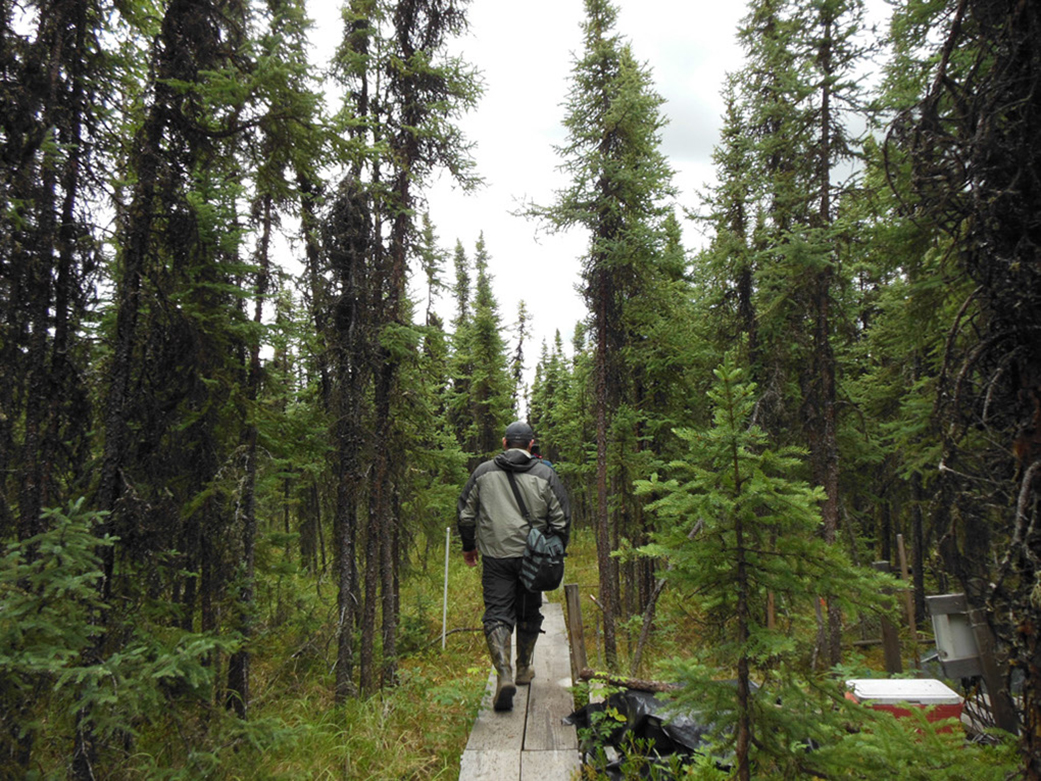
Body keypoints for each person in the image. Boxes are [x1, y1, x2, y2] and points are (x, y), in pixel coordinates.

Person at [457, 420, 571, 712]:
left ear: (505, 443)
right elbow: (561, 519)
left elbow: (466, 513)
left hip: (496, 556)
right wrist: (556, 550)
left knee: (497, 612)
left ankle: (503, 673)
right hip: (534, 556)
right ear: (531, 444)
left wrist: (469, 547)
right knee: (529, 610)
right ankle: (523, 669)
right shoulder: (546, 474)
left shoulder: (483, 472)